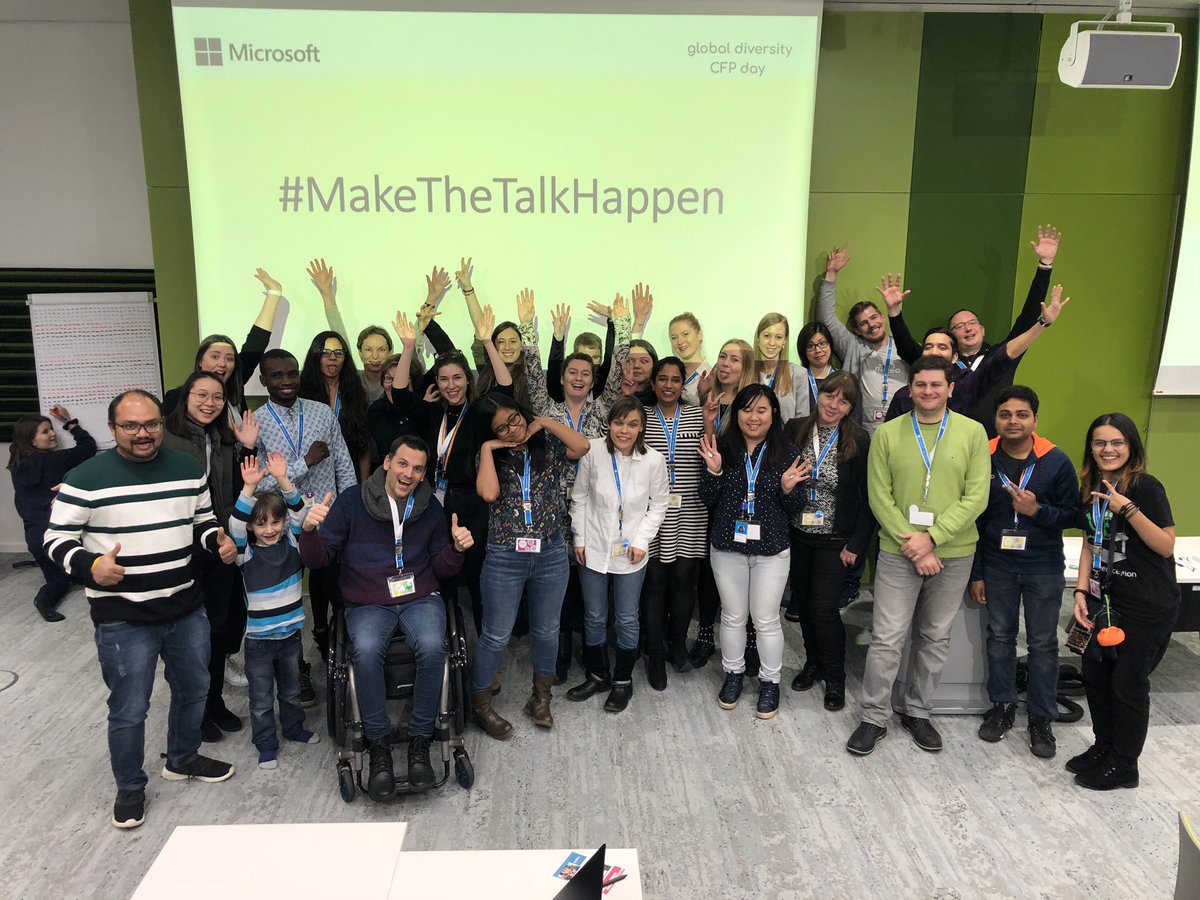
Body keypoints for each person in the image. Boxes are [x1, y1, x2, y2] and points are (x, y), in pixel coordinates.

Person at [43, 390, 238, 829]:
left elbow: (201, 521)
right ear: (112, 429)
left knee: (194, 689)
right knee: (130, 708)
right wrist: (90, 565)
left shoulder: (188, 468)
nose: (142, 433)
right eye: (130, 426)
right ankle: (130, 786)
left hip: (185, 606)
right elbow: (55, 539)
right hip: (123, 616)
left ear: (161, 424)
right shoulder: (85, 477)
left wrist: (218, 540)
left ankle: (183, 758)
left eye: (150, 423)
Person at [300, 435, 475, 798]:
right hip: (367, 600)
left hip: (419, 596)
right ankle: (378, 744)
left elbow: (441, 567)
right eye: (403, 464)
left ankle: (419, 742)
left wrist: (456, 549)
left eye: (418, 468)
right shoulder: (351, 502)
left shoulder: (429, 507)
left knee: (431, 646)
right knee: (364, 650)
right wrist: (309, 531)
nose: (409, 474)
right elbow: (318, 560)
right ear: (387, 462)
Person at [846, 356, 989, 757]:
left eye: (935, 385)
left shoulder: (973, 433)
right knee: (887, 638)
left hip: (954, 552)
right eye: (920, 385)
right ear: (910, 389)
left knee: (935, 636)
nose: (928, 392)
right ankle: (874, 717)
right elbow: (879, 496)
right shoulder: (889, 434)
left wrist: (933, 539)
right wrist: (914, 543)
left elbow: (976, 496)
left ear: (950, 388)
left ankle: (918, 711)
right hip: (898, 551)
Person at [520, 289, 632, 683]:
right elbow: (533, 371)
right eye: (573, 372)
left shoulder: (604, 409)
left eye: (586, 373)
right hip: (553, 511)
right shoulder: (546, 409)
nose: (580, 378)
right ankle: (560, 658)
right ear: (563, 377)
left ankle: (593, 657)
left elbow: (619, 368)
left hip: (597, 511)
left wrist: (622, 326)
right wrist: (529, 332)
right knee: (559, 589)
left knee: (591, 588)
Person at [968, 386, 1080, 758]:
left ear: (1034, 419)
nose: (1013, 421)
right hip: (997, 564)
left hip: (1043, 566)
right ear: (996, 420)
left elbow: (1074, 515)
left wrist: (1037, 512)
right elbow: (977, 519)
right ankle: (1002, 707)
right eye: (1005, 415)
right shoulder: (982, 457)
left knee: (1043, 643)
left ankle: (1041, 717)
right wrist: (978, 572)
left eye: (1021, 414)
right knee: (999, 636)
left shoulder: (1055, 461)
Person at [1068, 413, 1178, 790]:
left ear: (1131, 446)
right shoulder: (1091, 486)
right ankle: (1103, 748)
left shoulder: (1145, 487)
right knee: (1096, 679)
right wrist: (1081, 592)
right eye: (1100, 442)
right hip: (1103, 600)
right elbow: (1089, 543)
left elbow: (1165, 545)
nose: (1108, 449)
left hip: (1145, 604)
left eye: (1117, 442)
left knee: (1127, 685)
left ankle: (1124, 765)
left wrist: (1127, 509)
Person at [389, 305, 513, 636]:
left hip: (471, 504)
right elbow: (401, 396)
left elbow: (505, 389)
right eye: (444, 379)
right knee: (438, 573)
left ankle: (486, 648)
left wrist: (487, 342)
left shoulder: (479, 413)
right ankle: (442, 643)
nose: (451, 385)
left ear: (467, 379)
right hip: (432, 503)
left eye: (457, 377)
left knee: (475, 576)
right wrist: (407, 348)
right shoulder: (432, 413)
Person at [471, 395, 590, 737]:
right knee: (496, 634)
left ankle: (540, 698)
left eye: (515, 419)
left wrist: (542, 422)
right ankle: (480, 706)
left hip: (551, 551)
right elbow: (489, 494)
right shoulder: (494, 456)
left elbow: (582, 446)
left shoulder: (547, 445)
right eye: (502, 427)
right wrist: (488, 448)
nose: (513, 428)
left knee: (547, 630)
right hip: (505, 556)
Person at [698, 385, 810, 719]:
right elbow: (707, 498)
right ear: (737, 414)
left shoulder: (788, 452)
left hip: (771, 550)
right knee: (733, 616)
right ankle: (732, 675)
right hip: (727, 548)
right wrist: (715, 471)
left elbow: (795, 507)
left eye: (761, 410)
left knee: (765, 618)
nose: (753, 417)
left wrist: (789, 489)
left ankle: (769, 681)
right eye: (746, 410)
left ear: (773, 413)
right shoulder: (723, 449)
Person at [163, 371, 258, 743]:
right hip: (180, 550)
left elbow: (240, 483)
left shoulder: (221, 437)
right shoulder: (166, 436)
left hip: (219, 544)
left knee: (220, 629)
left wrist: (247, 447)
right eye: (201, 395)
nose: (209, 403)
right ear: (185, 395)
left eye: (217, 397)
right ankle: (195, 709)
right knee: (189, 636)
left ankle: (214, 700)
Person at [254, 348, 357, 691]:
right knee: (288, 601)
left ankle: (336, 646)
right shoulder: (256, 424)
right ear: (263, 379)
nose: (286, 381)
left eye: (292, 373)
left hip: (326, 518)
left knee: (334, 586)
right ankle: (297, 669)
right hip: (280, 526)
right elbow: (259, 482)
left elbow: (342, 462)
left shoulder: (321, 411)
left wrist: (350, 507)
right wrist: (304, 463)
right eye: (277, 375)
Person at [567, 398, 670, 712]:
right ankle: (598, 674)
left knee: (626, 618)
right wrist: (580, 538)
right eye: (618, 423)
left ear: (641, 427)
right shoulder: (593, 452)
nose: (624, 430)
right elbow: (580, 497)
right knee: (594, 616)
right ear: (609, 424)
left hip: (632, 552)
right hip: (594, 547)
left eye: (632, 424)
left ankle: (623, 681)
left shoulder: (653, 460)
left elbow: (659, 504)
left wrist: (642, 540)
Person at [783, 372, 875, 712]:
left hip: (836, 540)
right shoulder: (795, 429)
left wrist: (857, 544)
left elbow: (869, 499)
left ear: (850, 407)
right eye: (828, 395)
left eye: (843, 400)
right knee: (804, 605)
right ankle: (813, 664)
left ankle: (834, 676)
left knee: (824, 609)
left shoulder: (859, 440)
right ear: (818, 395)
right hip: (797, 535)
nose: (833, 404)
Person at [229, 453, 319, 770]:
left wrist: (283, 480)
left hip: (291, 638)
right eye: (261, 523)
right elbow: (234, 524)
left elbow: (300, 513)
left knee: (292, 692)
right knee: (261, 699)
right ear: (252, 527)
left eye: (275, 521)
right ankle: (266, 744)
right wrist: (248, 487)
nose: (270, 529)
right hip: (258, 643)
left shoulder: (293, 544)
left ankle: (294, 729)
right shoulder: (245, 555)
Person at [883, 284, 1071, 423]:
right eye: (929, 347)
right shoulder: (904, 396)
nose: (934, 352)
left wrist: (1043, 323)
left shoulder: (968, 383)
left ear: (954, 355)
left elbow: (1009, 351)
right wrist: (893, 312)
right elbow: (906, 345)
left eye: (942, 347)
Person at [640, 357, 709, 688]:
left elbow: (710, 454)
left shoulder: (697, 415)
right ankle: (655, 654)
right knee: (654, 585)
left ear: (684, 384)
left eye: (676, 379)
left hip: (691, 511)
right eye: (662, 379)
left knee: (684, 583)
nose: (668, 385)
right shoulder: (641, 417)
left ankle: (677, 645)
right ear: (653, 383)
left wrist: (710, 423)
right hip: (652, 512)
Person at [949, 225, 1061, 422]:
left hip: (999, 441)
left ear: (982, 330)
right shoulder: (944, 364)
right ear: (951, 336)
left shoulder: (1003, 356)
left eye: (972, 322)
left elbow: (1028, 317)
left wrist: (1045, 265)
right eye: (959, 326)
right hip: (955, 443)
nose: (967, 328)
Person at [8, 405, 96, 621]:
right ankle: (44, 602)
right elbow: (87, 447)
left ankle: (59, 584)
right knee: (70, 578)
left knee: (59, 577)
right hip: (60, 535)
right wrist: (71, 424)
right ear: (31, 440)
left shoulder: (17, 465)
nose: (53, 433)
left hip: (35, 537)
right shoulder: (53, 460)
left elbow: (20, 504)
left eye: (51, 429)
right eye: (45, 431)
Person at [162, 267, 287, 416]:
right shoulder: (177, 397)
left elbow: (256, 343)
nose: (222, 363)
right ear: (200, 360)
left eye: (229, 358)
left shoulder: (234, 389)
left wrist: (274, 293)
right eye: (215, 356)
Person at [817, 245, 910, 434]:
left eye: (874, 317)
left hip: (902, 429)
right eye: (864, 323)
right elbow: (826, 318)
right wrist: (831, 274)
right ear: (858, 331)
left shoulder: (905, 346)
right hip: (862, 430)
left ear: (883, 317)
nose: (872, 325)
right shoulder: (853, 346)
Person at [545, 283, 652, 402]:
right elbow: (554, 371)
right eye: (585, 357)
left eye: (595, 357)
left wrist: (612, 321)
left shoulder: (604, 383)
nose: (591, 363)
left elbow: (612, 357)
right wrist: (558, 339)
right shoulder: (564, 386)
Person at [455, 257, 532, 408]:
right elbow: (480, 328)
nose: (507, 347)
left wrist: (526, 323)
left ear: (522, 345)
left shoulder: (529, 372)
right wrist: (468, 290)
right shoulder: (486, 368)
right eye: (501, 342)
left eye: (513, 341)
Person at [298, 330, 373, 483]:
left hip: (350, 474)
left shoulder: (358, 392)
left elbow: (363, 445)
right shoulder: (302, 392)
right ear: (315, 356)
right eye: (326, 352)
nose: (333, 357)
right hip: (314, 475)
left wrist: (363, 485)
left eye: (338, 352)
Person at [752, 313, 809, 421]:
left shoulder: (799, 374)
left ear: (784, 341)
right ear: (758, 338)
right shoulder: (746, 372)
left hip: (785, 437)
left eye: (778, 337)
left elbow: (801, 422)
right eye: (767, 336)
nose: (772, 343)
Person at [667, 312, 711, 406]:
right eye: (674, 337)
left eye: (685, 334)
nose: (680, 341)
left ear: (699, 334)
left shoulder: (711, 376)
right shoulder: (669, 374)